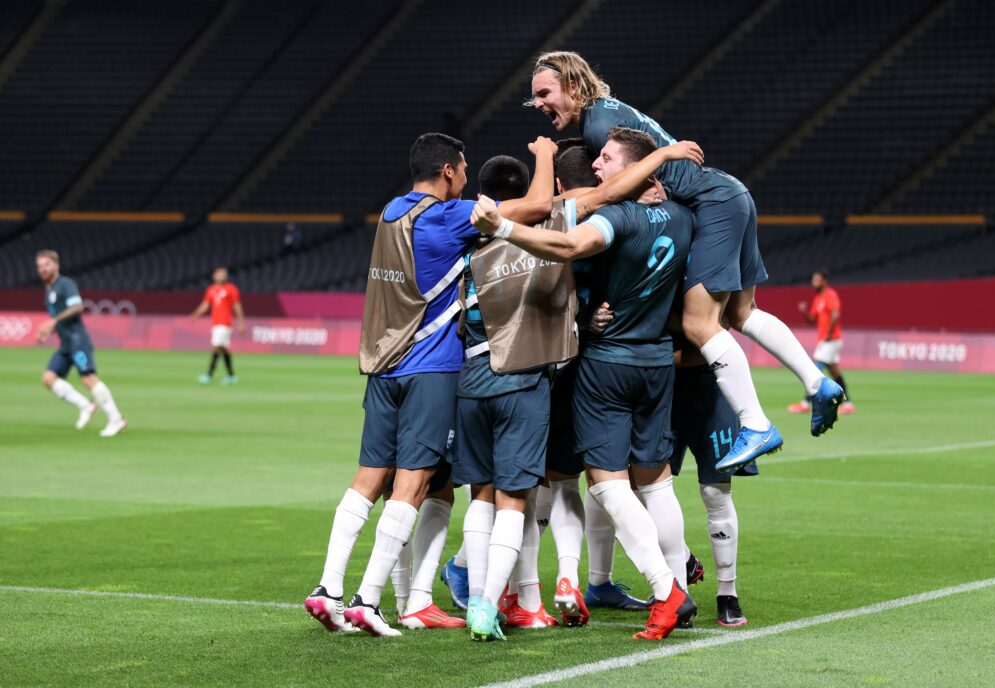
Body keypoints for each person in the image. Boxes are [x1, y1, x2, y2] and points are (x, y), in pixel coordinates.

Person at [528, 51, 847, 473]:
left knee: (699, 324)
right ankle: (816, 382)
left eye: (544, 93)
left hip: (710, 203)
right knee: (742, 312)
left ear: (572, 83)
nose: (538, 104)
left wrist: (544, 208)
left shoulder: (597, 126)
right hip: (730, 194)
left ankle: (755, 423)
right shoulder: (608, 110)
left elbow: (610, 192)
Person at [303, 133, 553, 638]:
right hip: (430, 369)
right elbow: (540, 206)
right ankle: (367, 600)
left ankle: (329, 588)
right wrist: (545, 155)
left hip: (383, 366)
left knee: (369, 478)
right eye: (463, 170)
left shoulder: (391, 212)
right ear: (447, 171)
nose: (466, 179)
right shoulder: (447, 217)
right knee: (412, 485)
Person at [472, 127, 698, 641]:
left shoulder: (616, 218)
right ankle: (675, 583)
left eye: (608, 159)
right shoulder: (684, 217)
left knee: (602, 484)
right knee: (656, 483)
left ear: (635, 169)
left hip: (607, 365)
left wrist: (503, 227)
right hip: (658, 363)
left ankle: (665, 591)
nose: (598, 165)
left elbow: (570, 245)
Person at [669, 319, 757, 627]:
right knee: (641, 488)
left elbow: (725, 321)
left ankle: (727, 594)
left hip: (710, 383)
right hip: (659, 385)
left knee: (714, 492)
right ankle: (678, 578)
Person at [34, 250, 127, 437]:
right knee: (48, 379)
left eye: (47, 265)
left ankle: (116, 419)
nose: (43, 269)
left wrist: (53, 321)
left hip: (78, 341)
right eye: (40, 266)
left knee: (88, 378)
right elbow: (60, 319)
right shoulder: (49, 291)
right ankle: (86, 406)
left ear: (56, 265)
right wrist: (48, 330)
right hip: (66, 344)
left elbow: (77, 307)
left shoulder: (65, 284)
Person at [789, 269, 854, 415]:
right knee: (835, 373)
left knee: (815, 369)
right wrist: (804, 312)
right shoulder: (818, 299)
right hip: (828, 340)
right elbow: (812, 320)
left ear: (824, 281)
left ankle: (805, 404)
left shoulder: (830, 295)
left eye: (816, 280)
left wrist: (829, 334)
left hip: (831, 340)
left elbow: (836, 315)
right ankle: (848, 404)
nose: (813, 283)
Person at [189, 267, 244, 385]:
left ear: (226, 277)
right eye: (219, 274)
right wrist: (195, 315)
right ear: (214, 276)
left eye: (223, 274)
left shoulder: (231, 289)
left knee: (216, 347)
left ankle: (209, 375)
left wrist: (241, 322)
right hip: (216, 323)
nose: (221, 276)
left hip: (224, 323)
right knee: (224, 349)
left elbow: (237, 305)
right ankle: (231, 376)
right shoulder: (211, 289)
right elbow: (205, 305)